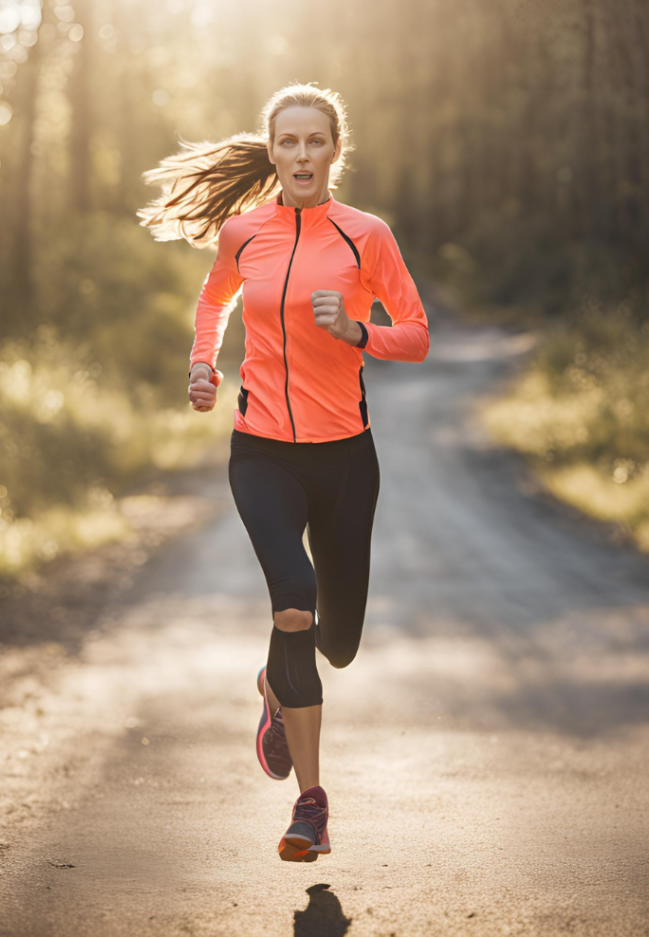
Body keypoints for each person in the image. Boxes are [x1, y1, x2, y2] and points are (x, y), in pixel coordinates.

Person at [137, 82, 429, 862]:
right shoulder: (244, 232)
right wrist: (202, 369)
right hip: (261, 450)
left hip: (345, 458)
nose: (303, 155)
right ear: (273, 151)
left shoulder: (367, 235)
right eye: (289, 142)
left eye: (316, 142)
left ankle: (275, 686)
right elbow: (213, 304)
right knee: (293, 602)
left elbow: (419, 334)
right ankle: (312, 806)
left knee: (338, 644)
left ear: (336, 151)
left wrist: (360, 330)